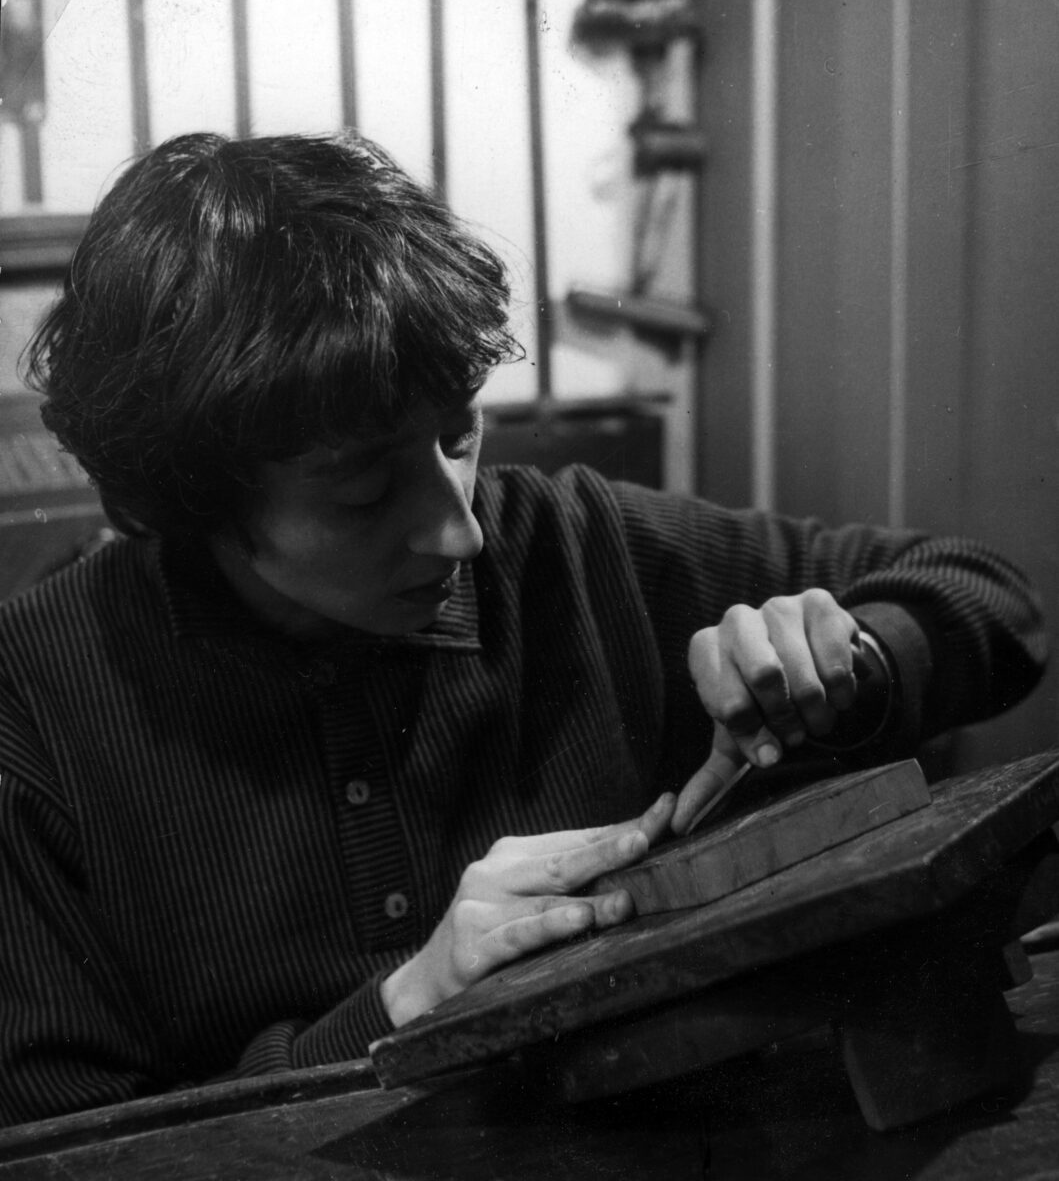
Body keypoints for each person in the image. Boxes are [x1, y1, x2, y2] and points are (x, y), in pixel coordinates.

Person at [0, 131, 1046, 1128]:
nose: (458, 531)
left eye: (460, 434)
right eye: (365, 491)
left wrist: (847, 659)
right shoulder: (34, 702)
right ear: (197, 494)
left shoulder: (572, 542)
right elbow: (63, 1144)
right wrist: (402, 1011)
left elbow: (987, 595)